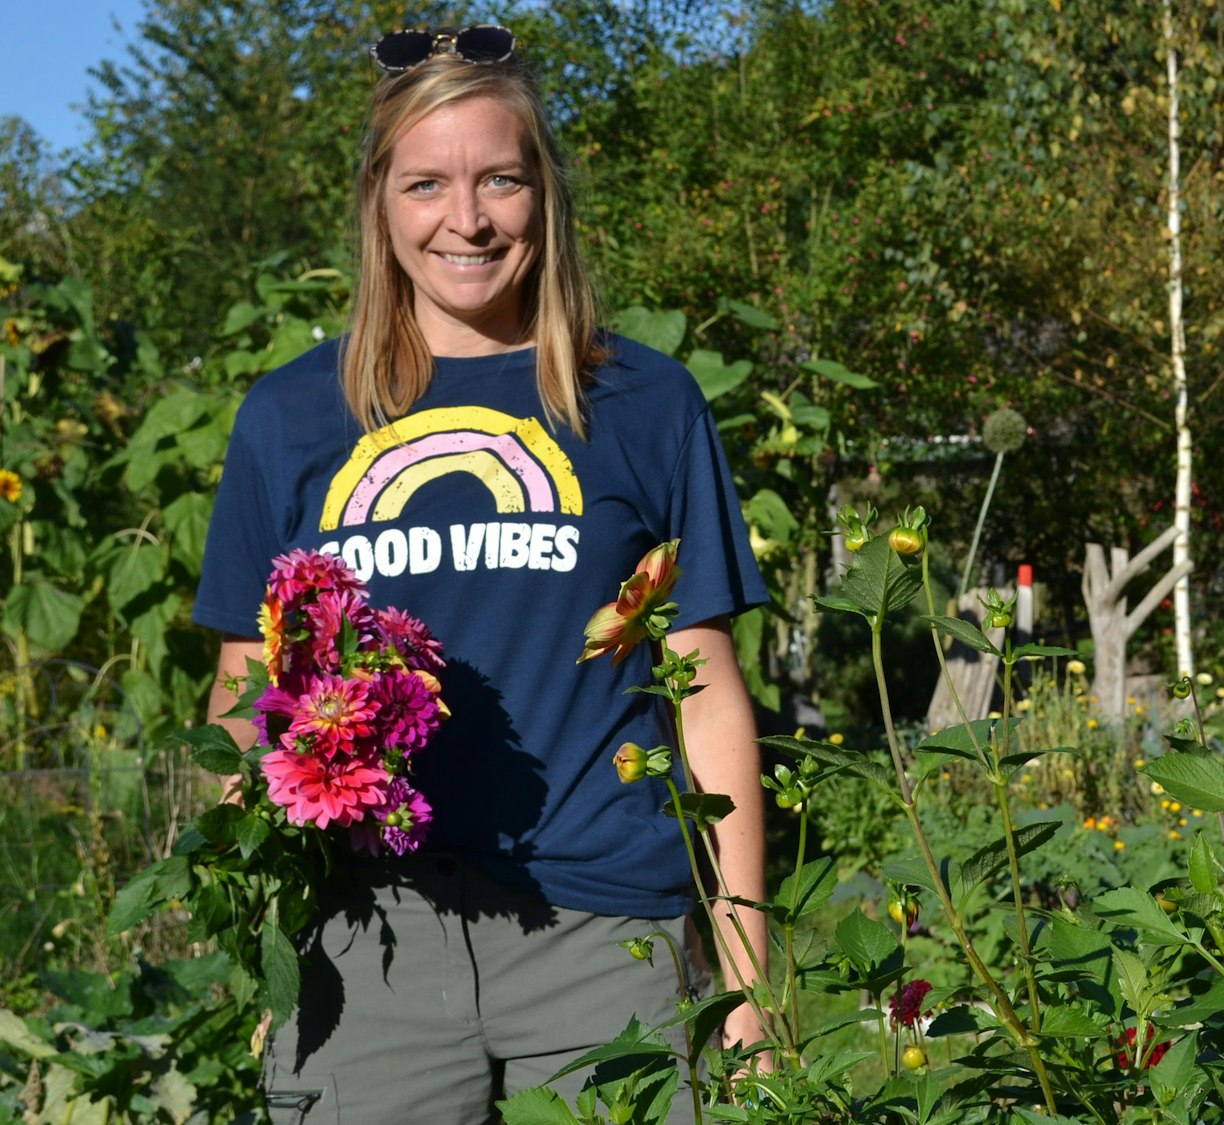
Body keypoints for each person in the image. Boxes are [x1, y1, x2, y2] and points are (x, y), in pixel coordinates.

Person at [191, 27, 769, 1122]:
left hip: (602, 933)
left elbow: (703, 682)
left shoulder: (643, 403)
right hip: (364, 944)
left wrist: (744, 973)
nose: (466, 219)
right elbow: (244, 689)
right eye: (426, 184)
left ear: (543, 194)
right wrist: (263, 941)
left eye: (499, 178)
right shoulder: (289, 416)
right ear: (379, 203)